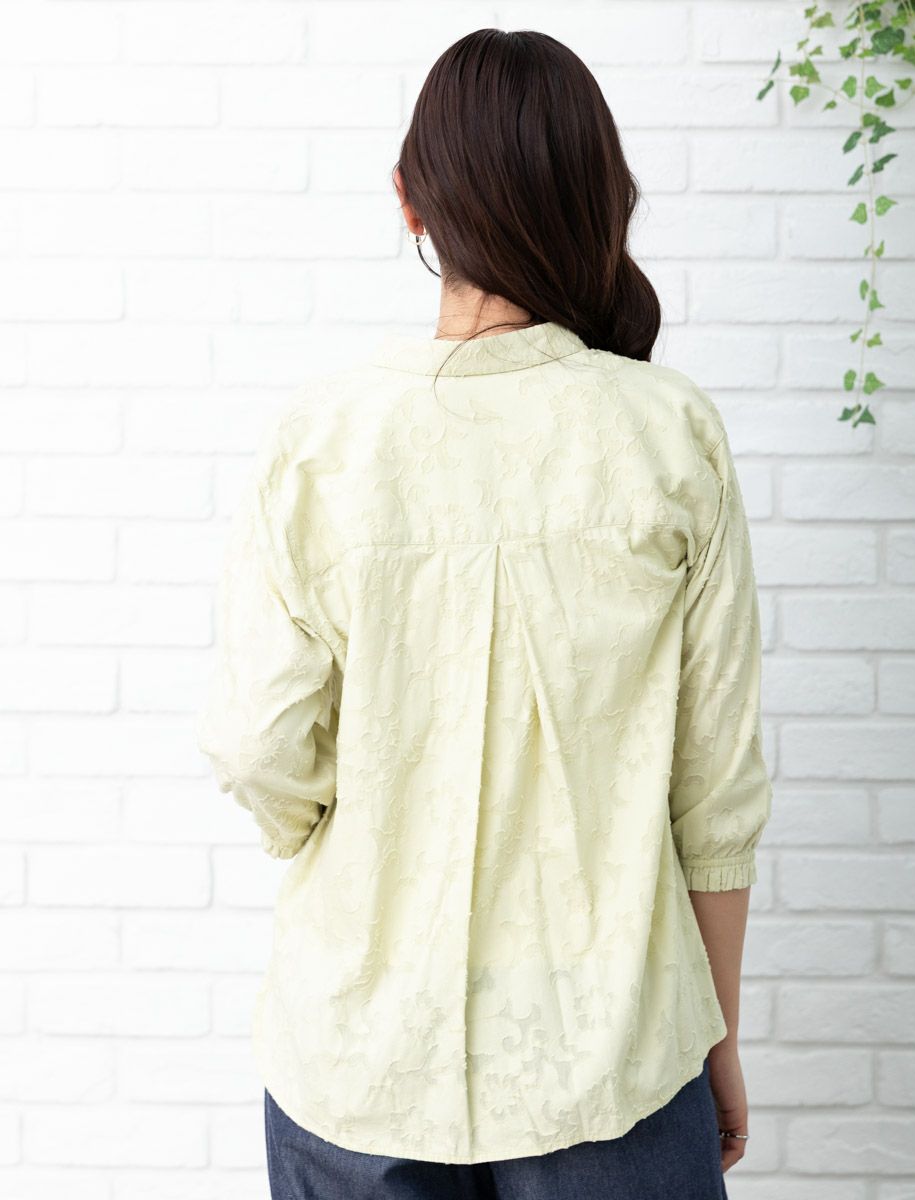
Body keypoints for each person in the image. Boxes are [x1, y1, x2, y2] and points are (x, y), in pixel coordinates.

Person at [195, 26, 772, 1200]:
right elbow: (716, 793)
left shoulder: (321, 442)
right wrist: (716, 1035)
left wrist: (354, 836)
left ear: (410, 201)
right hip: (610, 1058)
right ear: (599, 200)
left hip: (356, 1057)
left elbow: (260, 749)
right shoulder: (669, 435)